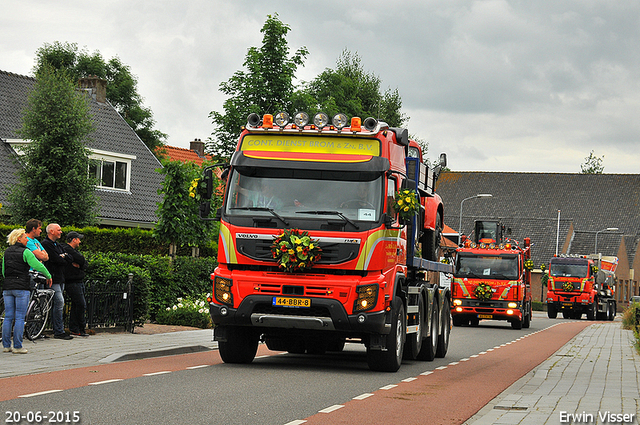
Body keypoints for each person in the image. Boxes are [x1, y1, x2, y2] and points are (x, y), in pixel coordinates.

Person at [2, 228, 52, 354]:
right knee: (19, 317)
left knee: (8, 316)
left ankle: (7, 345)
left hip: (7, 287)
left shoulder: (6, 252)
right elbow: (38, 265)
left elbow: (4, 271)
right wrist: (48, 276)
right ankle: (18, 346)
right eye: (25, 237)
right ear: (19, 238)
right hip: (21, 287)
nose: (26, 239)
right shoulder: (26, 252)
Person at [42, 223, 73, 340]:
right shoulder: (46, 244)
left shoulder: (58, 245)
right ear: (51, 231)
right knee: (59, 302)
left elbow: (68, 258)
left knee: (58, 304)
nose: (61, 232)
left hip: (60, 278)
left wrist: (63, 256)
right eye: (58, 230)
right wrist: (63, 257)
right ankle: (58, 331)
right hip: (52, 278)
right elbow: (56, 259)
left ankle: (57, 328)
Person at [63, 231, 89, 337]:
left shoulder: (73, 251)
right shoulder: (67, 249)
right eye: (78, 239)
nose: (80, 241)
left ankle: (75, 328)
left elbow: (84, 263)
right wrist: (80, 263)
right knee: (81, 304)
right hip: (72, 281)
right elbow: (81, 260)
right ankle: (80, 328)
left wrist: (80, 264)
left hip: (78, 281)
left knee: (76, 304)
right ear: (74, 239)